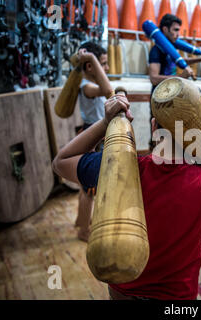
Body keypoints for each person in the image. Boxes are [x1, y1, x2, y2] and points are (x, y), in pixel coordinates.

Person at [52, 91, 201, 300]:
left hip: (121, 291)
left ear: (154, 127)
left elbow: (61, 162)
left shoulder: (122, 166)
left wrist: (105, 122)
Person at [148, 13, 201, 149]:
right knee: (159, 136)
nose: (178, 34)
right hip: (160, 98)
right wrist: (180, 78)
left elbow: (181, 61)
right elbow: (154, 78)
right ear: (165, 30)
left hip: (171, 95)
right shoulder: (156, 50)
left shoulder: (170, 49)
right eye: (175, 30)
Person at [74, 41, 112, 242]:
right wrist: (92, 59)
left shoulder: (89, 83)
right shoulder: (86, 86)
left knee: (89, 185)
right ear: (90, 66)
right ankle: (83, 230)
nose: (106, 68)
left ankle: (82, 219)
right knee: (89, 188)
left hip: (96, 134)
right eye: (103, 63)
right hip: (92, 135)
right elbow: (108, 90)